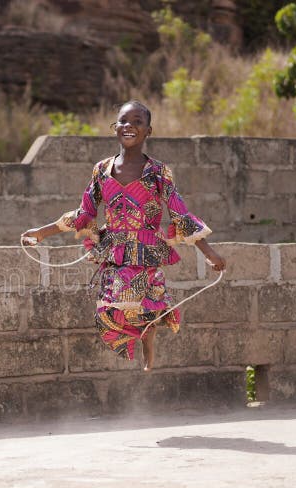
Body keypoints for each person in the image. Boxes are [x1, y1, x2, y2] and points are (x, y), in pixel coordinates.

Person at [22, 100, 226, 371]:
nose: (129, 126)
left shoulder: (159, 173)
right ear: (115, 127)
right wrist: (42, 232)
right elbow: (84, 214)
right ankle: (145, 331)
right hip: (114, 251)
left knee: (138, 302)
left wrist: (210, 253)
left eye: (138, 122)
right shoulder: (101, 171)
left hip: (146, 250)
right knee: (108, 311)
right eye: (123, 121)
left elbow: (180, 215)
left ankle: (149, 335)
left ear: (148, 131)